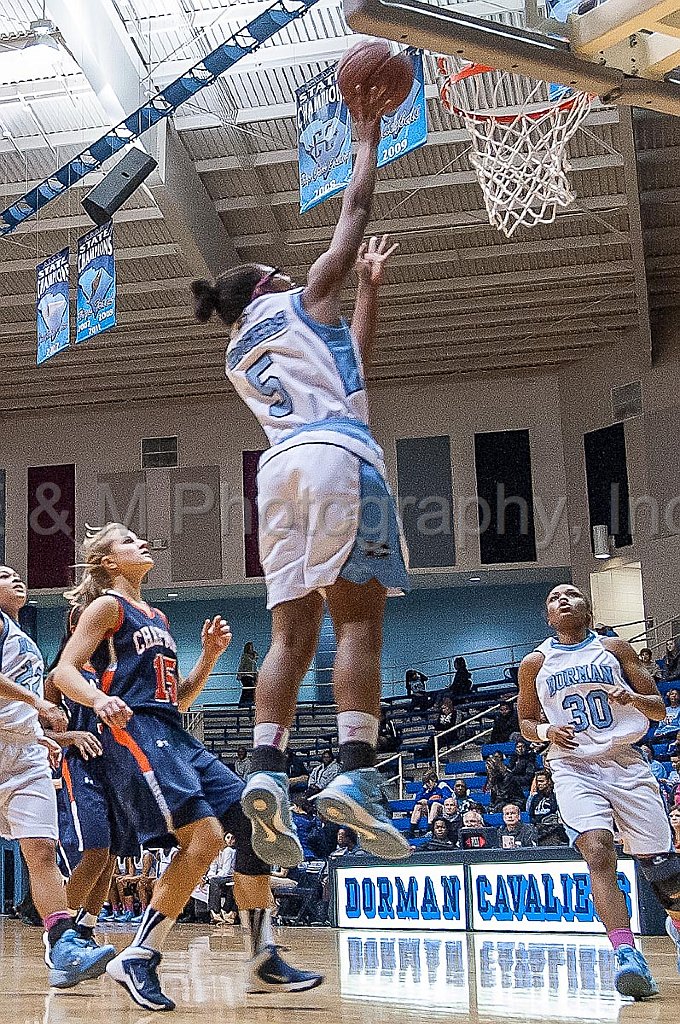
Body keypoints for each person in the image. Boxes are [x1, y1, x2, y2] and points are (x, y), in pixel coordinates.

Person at [191, 90, 411, 867]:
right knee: (360, 622)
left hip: (277, 470)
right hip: (335, 458)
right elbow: (354, 209)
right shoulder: (299, 298)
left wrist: (372, 295)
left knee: (293, 632)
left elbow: (349, 372)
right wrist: (366, 137)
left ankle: (267, 770)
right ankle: (356, 773)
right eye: (286, 273)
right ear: (268, 285)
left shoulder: (239, 353)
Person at [53, 524, 322, 1011]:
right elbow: (63, 671)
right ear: (110, 562)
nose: (142, 543)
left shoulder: (157, 616)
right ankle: (141, 953)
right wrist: (98, 698)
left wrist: (211, 659)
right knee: (205, 839)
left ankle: (262, 953)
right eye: (129, 541)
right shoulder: (107, 607)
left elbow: (177, 698)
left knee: (249, 820)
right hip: (132, 733)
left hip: (173, 731)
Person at [518, 582, 680, 1000]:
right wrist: (545, 730)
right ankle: (626, 953)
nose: (563, 600)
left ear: (587, 606)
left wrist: (632, 696)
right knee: (596, 848)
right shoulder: (535, 663)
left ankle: (676, 923)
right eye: (553, 597)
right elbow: (525, 722)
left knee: (661, 867)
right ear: (548, 616)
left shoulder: (616, 649)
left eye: (571, 593)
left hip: (626, 760)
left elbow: (660, 708)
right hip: (571, 765)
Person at [0, 565, 116, 988]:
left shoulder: (23, 639)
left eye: (15, 573)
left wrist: (43, 736)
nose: (15, 578)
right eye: (2, 574)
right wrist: (40, 706)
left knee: (42, 851)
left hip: (26, 753)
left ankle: (62, 941)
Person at [526, 770, 568, 846]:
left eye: (542, 781)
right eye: (537, 782)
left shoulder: (556, 796)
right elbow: (530, 813)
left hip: (553, 830)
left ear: (548, 781)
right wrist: (531, 795)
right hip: (538, 829)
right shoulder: (535, 797)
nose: (539, 784)